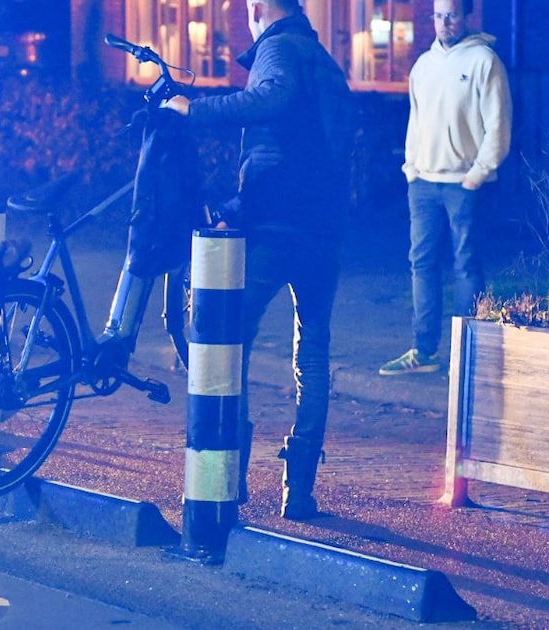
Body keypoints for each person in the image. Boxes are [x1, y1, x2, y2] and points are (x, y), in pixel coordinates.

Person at [162, 0, 353, 520]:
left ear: (257, 10)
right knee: (312, 357)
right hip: (324, 232)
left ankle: (228, 473)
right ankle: (300, 490)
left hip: (276, 227)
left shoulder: (277, 49)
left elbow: (270, 99)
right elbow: (323, 149)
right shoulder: (324, 60)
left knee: (231, 343)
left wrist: (191, 110)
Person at [379, 0, 512, 376]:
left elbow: (498, 126)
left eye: (451, 14)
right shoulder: (423, 66)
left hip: (463, 184)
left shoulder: (484, 61)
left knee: (466, 265)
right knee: (421, 265)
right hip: (423, 184)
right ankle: (424, 350)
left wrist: (477, 174)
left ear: (466, 16)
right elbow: (415, 123)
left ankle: (467, 354)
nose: (444, 22)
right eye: (438, 15)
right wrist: (411, 169)